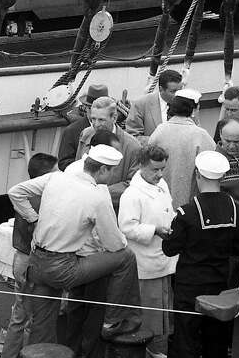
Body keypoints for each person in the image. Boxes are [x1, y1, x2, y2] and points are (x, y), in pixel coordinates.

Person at [12, 144, 143, 346]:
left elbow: (15, 192)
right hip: (62, 268)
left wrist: (33, 219)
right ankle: (113, 321)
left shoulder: (55, 178)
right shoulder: (97, 196)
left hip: (36, 263)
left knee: (42, 325)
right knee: (126, 257)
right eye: (112, 171)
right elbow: (114, 245)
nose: (113, 176)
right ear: (102, 169)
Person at [160, 151, 239, 358]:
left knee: (186, 341)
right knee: (216, 340)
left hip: (190, 286)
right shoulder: (238, 210)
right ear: (221, 177)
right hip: (221, 285)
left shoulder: (187, 213)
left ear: (198, 175)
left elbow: (170, 248)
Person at [0, 152, 59, 358]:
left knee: (19, 315)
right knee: (35, 319)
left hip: (20, 258)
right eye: (56, 173)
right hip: (33, 261)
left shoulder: (24, 196)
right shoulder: (44, 199)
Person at [118, 144, 177, 358]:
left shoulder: (162, 185)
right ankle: (139, 353)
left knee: (158, 309)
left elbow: (168, 211)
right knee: (143, 310)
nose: (160, 174)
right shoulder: (132, 195)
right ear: (142, 166)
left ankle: (150, 347)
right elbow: (126, 227)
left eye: (162, 169)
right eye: (155, 170)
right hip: (144, 262)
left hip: (162, 258)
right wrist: (155, 230)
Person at [70, 95, 143, 208]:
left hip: (113, 209)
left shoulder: (133, 147)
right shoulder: (85, 135)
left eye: (101, 120)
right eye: (93, 119)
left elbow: (133, 184)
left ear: (114, 118)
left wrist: (99, 194)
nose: (96, 124)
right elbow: (78, 167)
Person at [150, 88, 217, 207]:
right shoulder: (200, 135)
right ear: (194, 109)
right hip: (191, 205)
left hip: (160, 201)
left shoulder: (159, 131)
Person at [57, 83, 108, 169]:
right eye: (92, 108)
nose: (96, 113)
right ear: (85, 107)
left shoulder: (114, 130)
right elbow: (63, 163)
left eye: (101, 109)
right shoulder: (71, 131)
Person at [126, 69, 183, 138]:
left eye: (180, 90)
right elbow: (133, 137)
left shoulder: (187, 103)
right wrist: (157, 142)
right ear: (161, 89)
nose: (178, 95)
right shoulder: (141, 105)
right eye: (173, 91)